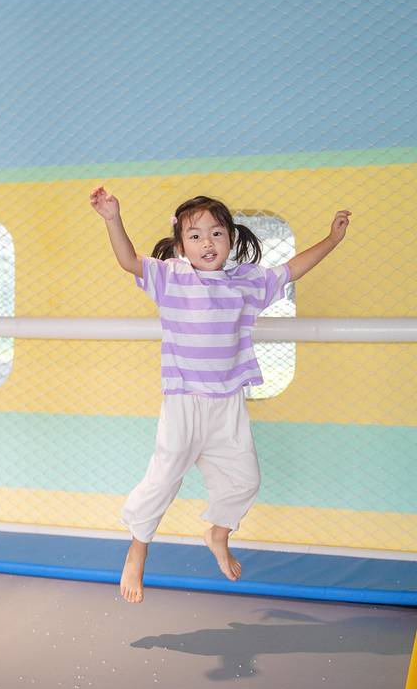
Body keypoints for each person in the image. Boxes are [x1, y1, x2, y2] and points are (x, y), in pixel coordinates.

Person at [90, 186, 351, 603]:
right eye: (195, 236)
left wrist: (332, 240)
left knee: (245, 479)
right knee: (163, 477)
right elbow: (128, 260)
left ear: (231, 238)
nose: (207, 243)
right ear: (181, 246)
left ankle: (218, 532)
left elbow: (292, 270)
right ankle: (138, 548)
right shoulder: (171, 278)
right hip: (184, 401)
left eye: (216, 233)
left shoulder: (246, 282)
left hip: (228, 402)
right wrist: (112, 218)